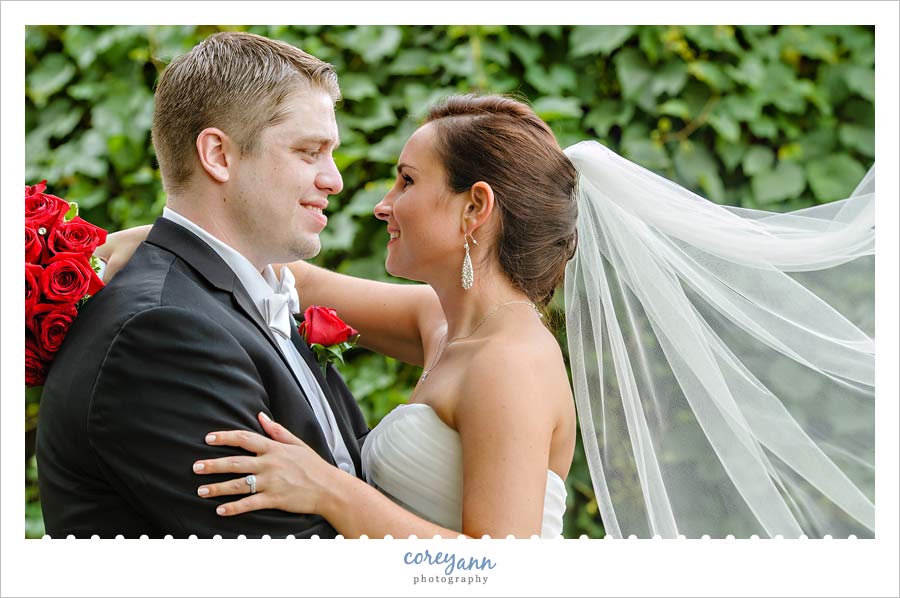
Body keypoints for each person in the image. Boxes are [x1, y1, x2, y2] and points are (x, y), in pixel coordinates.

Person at [101, 92, 876, 539]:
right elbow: (292, 276)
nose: (380, 204)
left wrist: (331, 492)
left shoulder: (510, 364)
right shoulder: (447, 325)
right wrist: (132, 243)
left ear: (475, 207)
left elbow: (495, 574)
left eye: (406, 181)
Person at [35, 32, 370, 538]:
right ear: (218, 155)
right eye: (309, 151)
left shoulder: (255, 294)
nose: (334, 179)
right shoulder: (162, 333)